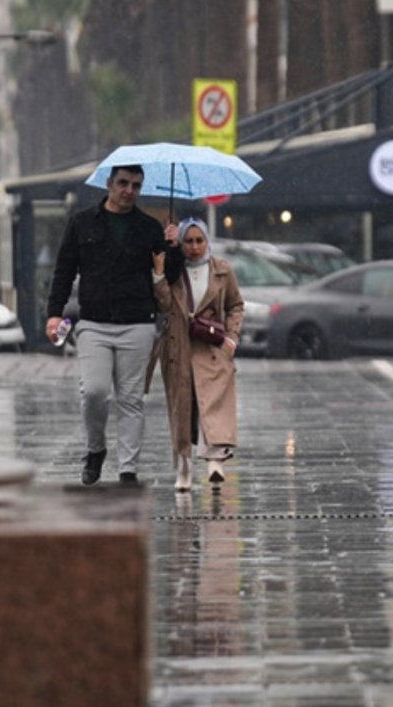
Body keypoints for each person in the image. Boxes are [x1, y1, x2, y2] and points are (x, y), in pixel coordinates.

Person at [45, 164, 177, 485]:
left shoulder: (149, 228)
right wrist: (54, 312)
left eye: (136, 185)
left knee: (131, 399)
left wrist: (172, 246)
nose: (129, 190)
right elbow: (64, 270)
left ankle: (128, 469)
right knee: (94, 392)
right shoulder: (82, 223)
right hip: (93, 322)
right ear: (109, 184)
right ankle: (95, 449)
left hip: (138, 322)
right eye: (123, 183)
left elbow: (168, 278)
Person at [149, 218, 244, 492]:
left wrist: (232, 339)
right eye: (188, 241)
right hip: (179, 346)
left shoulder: (222, 270)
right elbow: (164, 304)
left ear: (207, 241)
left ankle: (215, 461)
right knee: (182, 408)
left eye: (199, 240)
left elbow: (236, 304)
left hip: (213, 347)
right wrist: (159, 274)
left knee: (212, 403)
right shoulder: (175, 270)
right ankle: (184, 467)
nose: (194, 247)